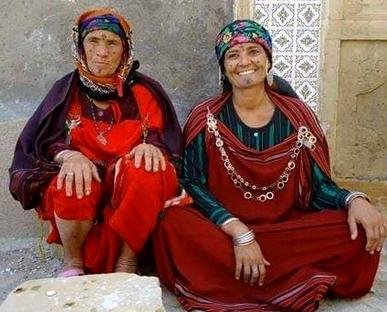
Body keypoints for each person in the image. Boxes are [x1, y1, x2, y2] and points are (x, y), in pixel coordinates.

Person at [153, 20, 386, 311]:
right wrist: (239, 232)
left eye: (253, 51)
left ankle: (241, 277)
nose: (244, 62)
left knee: (358, 228)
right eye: (233, 55)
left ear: (268, 59)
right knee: (172, 224)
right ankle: (286, 277)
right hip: (224, 232)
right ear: (224, 67)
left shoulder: (298, 115)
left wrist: (354, 199)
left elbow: (318, 188)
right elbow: (192, 184)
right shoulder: (206, 116)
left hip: (286, 228)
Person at [9, 8, 182, 277]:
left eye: (112, 43)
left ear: (125, 50)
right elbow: (42, 142)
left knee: (148, 168)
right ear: (81, 46)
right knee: (74, 178)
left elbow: (163, 140)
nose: (102, 51)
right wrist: (68, 156)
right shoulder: (66, 92)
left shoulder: (144, 93)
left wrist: (152, 147)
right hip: (85, 187)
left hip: (127, 186)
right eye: (94, 41)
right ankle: (73, 264)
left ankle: (127, 262)